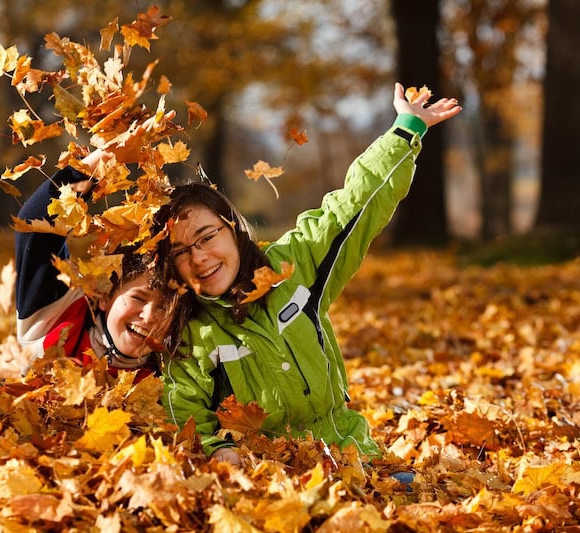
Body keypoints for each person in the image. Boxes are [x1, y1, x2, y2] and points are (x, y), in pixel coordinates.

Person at [154, 83, 462, 463]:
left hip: (355, 457)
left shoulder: (292, 267)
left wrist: (405, 130)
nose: (199, 258)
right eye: (181, 251)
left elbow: (351, 205)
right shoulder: (189, 335)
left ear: (232, 226)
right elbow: (185, 427)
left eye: (206, 237)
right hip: (269, 485)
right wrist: (221, 455)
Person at [15, 152, 173, 383]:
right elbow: (35, 228)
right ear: (104, 295)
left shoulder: (171, 377)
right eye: (139, 297)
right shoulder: (59, 310)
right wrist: (100, 161)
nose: (148, 316)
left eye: (164, 307)